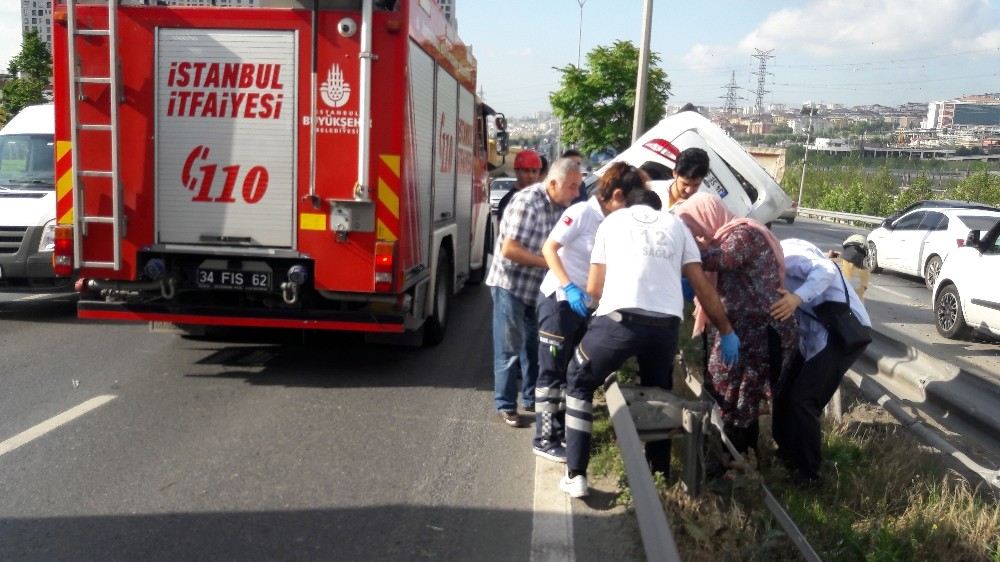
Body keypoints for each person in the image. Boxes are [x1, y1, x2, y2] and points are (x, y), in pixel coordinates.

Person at [559, 188, 741, 498]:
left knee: (579, 377)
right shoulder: (677, 226)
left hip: (619, 322)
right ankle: (658, 475)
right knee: (660, 394)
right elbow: (701, 287)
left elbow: (593, 287)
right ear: (659, 209)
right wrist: (726, 330)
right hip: (665, 327)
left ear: (629, 204)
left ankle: (576, 473)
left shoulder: (612, 222)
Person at [533, 162, 648, 462]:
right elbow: (549, 249)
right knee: (551, 371)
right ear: (618, 194)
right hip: (559, 301)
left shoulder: (615, 222)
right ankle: (544, 437)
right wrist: (569, 286)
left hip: (586, 308)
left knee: (570, 370)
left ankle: (559, 431)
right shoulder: (582, 213)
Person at [673, 193, 799, 457]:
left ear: (705, 216)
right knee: (728, 391)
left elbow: (720, 260)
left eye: (692, 227)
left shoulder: (743, 234)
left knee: (740, 395)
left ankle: (734, 460)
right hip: (743, 328)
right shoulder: (724, 236)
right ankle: (733, 456)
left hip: (762, 331)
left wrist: (679, 246)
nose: (693, 235)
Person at [487, 157, 583, 428]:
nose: (577, 193)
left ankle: (531, 399)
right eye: (572, 187)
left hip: (537, 289)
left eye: (578, 187)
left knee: (533, 347)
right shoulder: (527, 202)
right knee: (509, 349)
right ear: (553, 183)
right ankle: (506, 405)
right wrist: (550, 264)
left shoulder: (561, 206)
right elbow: (509, 250)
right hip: (511, 285)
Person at [769, 238, 872, 484]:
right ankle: (786, 456)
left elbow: (825, 269)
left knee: (804, 400)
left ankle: (808, 474)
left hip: (843, 332)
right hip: (816, 334)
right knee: (783, 395)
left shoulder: (788, 255)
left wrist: (796, 298)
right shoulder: (772, 261)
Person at [495, 149, 542, 225]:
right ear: (516, 172)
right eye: (526, 171)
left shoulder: (542, 199)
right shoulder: (507, 201)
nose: (531, 176)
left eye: (534, 171)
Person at [830, 234, 870, 300]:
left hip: (833, 305)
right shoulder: (866, 272)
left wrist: (831, 256)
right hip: (857, 308)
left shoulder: (834, 262)